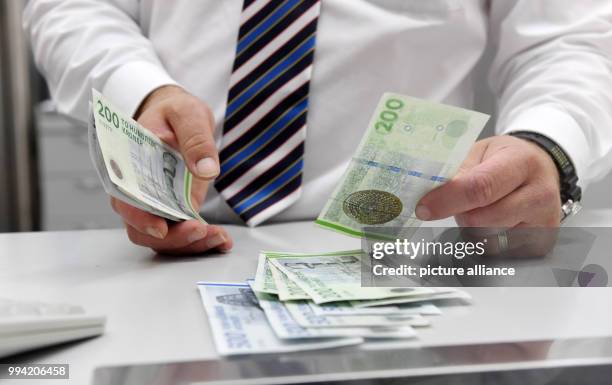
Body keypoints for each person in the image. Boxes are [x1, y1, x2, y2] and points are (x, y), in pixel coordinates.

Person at [24, 0, 612, 254]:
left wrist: (546, 144)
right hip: (173, 238)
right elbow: (74, 7)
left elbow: (567, 40)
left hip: (408, 251)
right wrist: (141, 90)